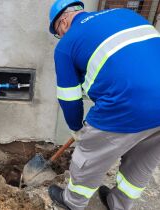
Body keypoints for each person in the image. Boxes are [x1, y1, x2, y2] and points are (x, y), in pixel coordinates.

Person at [47, 0, 160, 209]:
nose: (60, 37)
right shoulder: (125, 15)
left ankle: (72, 202)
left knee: (88, 157)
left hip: (126, 103)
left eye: (58, 32)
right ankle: (118, 205)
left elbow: (69, 97)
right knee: (142, 161)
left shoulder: (67, 44)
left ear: (62, 22)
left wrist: (76, 130)